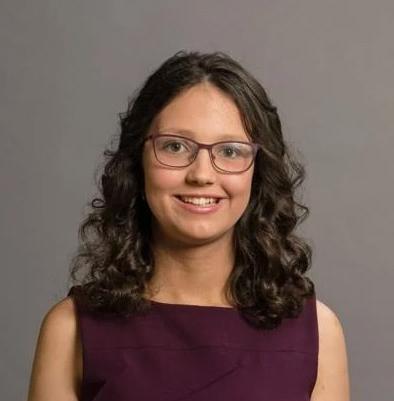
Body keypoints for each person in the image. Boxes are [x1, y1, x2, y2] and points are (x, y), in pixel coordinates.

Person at [27, 50, 350, 401]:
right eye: (176, 146)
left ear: (258, 172)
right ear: (138, 161)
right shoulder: (71, 330)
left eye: (229, 151)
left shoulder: (317, 333)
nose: (201, 175)